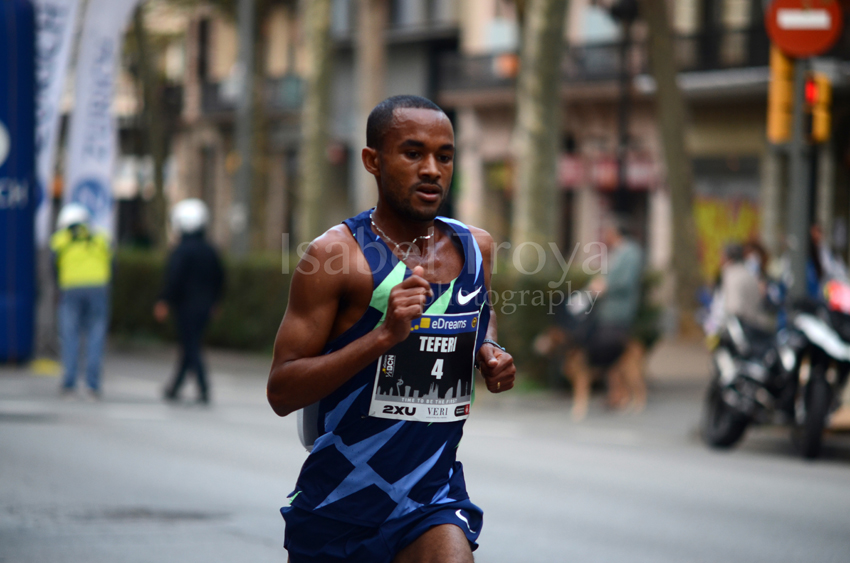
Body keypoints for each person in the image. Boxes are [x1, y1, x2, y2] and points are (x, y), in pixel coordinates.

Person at [266, 95, 516, 563]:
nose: (432, 170)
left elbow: (479, 313)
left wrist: (488, 348)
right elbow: (281, 391)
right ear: (373, 161)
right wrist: (382, 337)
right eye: (413, 153)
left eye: (445, 156)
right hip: (340, 503)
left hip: (431, 498)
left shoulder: (475, 247)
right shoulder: (335, 256)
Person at [563, 216, 645, 420]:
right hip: (606, 312)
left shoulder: (631, 252)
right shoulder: (618, 251)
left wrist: (604, 286)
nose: (604, 236)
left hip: (618, 313)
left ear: (614, 232)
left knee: (615, 351)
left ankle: (621, 395)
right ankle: (615, 394)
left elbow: (625, 281)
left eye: (607, 232)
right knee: (610, 353)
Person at [154, 199, 225, 404]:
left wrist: (164, 300)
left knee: (191, 345)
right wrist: (215, 302)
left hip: (186, 306)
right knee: (190, 345)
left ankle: (203, 386)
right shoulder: (210, 250)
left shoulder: (181, 250)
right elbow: (220, 278)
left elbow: (174, 279)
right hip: (205, 306)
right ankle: (174, 387)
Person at [50, 203, 112, 398]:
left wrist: (58, 288)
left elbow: (53, 268)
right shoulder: (100, 237)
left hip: (71, 289)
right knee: (96, 335)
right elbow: (113, 265)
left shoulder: (60, 239)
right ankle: (92, 384)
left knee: (70, 336)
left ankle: (69, 382)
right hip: (98, 289)